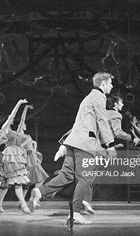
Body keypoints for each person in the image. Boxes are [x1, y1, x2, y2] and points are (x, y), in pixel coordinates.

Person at [29, 72, 116, 225]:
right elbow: (102, 121)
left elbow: (79, 124)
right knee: (85, 178)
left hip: (73, 142)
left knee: (67, 175)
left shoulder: (88, 98)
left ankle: (40, 191)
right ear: (102, 84)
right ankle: (75, 213)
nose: (112, 86)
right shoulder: (99, 97)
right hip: (84, 144)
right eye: (110, 83)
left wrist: (64, 142)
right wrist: (110, 145)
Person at [0, 99, 31, 214]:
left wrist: (25, 109)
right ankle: (23, 205)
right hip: (10, 156)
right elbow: (11, 115)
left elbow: (22, 120)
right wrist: (19, 103)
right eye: (11, 118)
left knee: (10, 182)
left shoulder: (16, 131)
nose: (13, 119)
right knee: (11, 181)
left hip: (17, 157)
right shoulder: (5, 129)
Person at [17, 105, 49, 205]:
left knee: (37, 179)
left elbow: (29, 145)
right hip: (27, 157)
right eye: (23, 124)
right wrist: (25, 108)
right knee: (32, 180)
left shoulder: (26, 135)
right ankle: (28, 199)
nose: (25, 124)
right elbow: (22, 119)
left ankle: (31, 198)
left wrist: (33, 145)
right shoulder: (19, 133)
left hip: (32, 156)